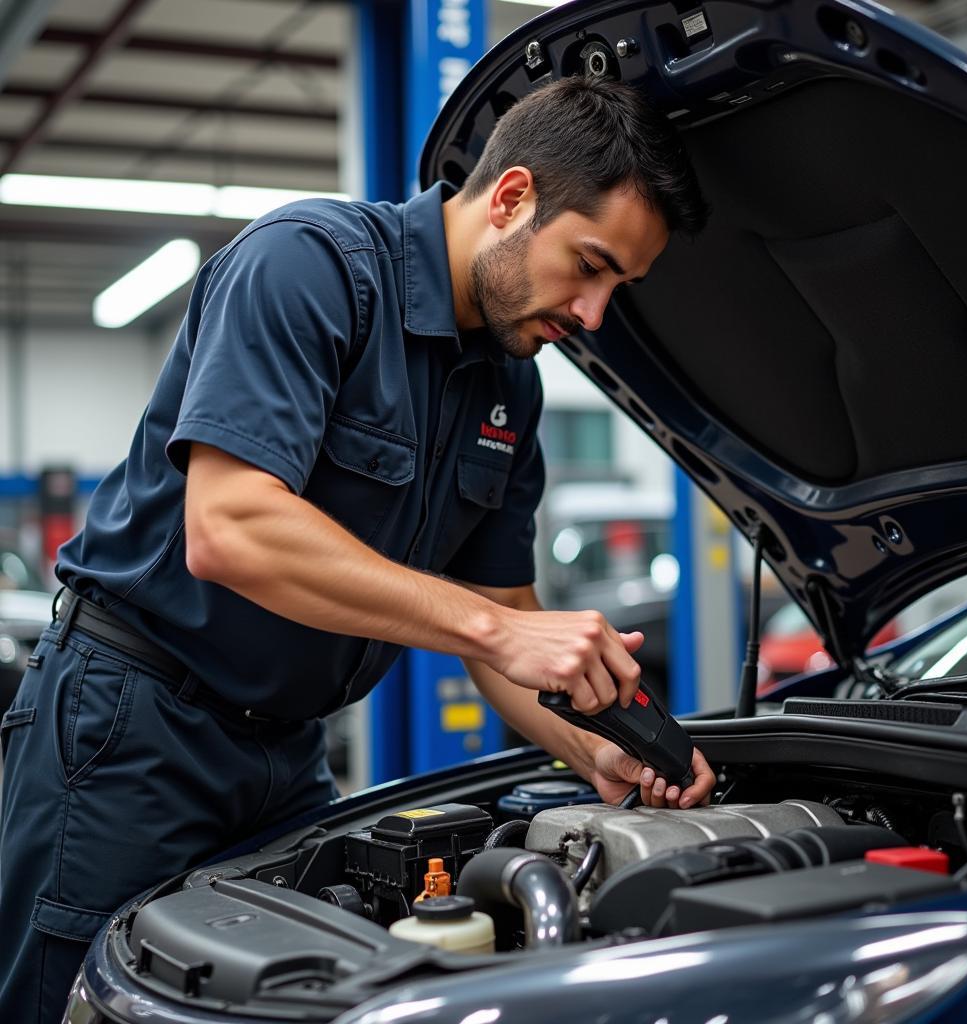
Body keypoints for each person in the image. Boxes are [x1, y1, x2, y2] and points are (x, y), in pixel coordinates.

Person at [0, 75, 712, 1021]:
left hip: (288, 753)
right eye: (589, 265)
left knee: (298, 997)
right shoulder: (311, 268)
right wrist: (493, 631)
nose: (593, 313)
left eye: (618, 285)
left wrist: (598, 749)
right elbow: (231, 527)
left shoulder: (511, 389)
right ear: (511, 199)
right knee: (75, 1000)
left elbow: (506, 623)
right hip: (134, 727)